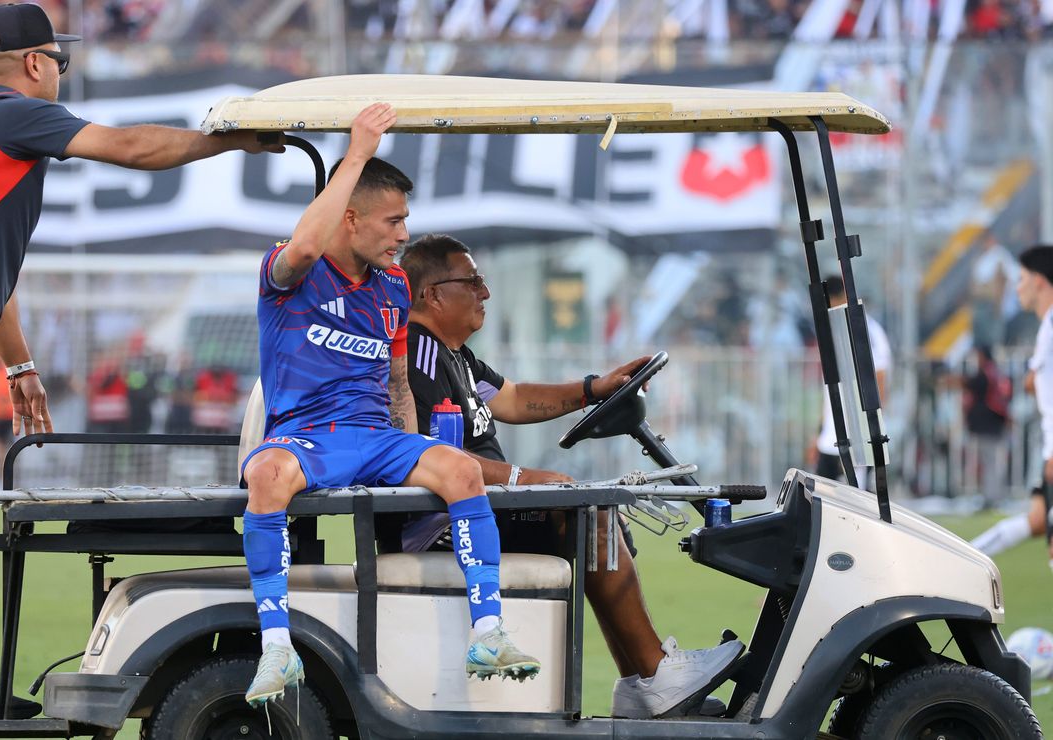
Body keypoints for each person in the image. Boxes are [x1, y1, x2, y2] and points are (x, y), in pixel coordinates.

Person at [0, 3, 284, 725]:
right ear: (35, 63)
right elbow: (127, 146)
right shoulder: (8, 112)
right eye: (60, 59)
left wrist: (20, 370)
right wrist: (229, 142)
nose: (61, 71)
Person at [239, 103, 538, 709]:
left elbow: (398, 383)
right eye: (394, 220)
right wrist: (356, 151)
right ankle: (276, 646)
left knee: (460, 468)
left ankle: (488, 633)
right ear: (349, 220)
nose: (405, 234)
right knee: (267, 474)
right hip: (307, 436)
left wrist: (413, 445)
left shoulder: (395, 288)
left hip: (374, 436)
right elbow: (303, 242)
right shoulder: (290, 273)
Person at [390, 233, 745, 719]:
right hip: (440, 522)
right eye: (472, 282)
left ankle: (643, 683)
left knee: (592, 512)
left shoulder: (455, 355)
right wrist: (528, 478)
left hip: (473, 509)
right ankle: (652, 671)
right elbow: (434, 457)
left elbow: (513, 398)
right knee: (589, 509)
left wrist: (593, 389)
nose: (484, 293)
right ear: (432, 294)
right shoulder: (418, 356)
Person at [972, 246, 1053, 562]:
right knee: (1036, 520)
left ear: (1040, 282)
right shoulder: (1045, 327)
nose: (1017, 287)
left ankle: (965, 558)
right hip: (1048, 452)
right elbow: (1034, 379)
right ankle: (968, 557)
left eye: (1021, 279)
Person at [808, 275, 891, 490]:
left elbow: (879, 377)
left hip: (858, 430)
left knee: (858, 495)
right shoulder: (834, 330)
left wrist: (872, 423)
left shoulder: (867, 330)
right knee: (823, 495)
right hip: (831, 430)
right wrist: (819, 430)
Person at [961, 345, 1012, 509]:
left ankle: (992, 498)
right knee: (994, 462)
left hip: (988, 425)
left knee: (990, 463)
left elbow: (970, 384)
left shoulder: (986, 373)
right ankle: (994, 496)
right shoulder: (996, 372)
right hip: (996, 424)